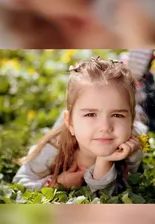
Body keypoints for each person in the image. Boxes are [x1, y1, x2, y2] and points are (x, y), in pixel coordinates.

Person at [13, 57, 142, 195]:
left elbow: (105, 199)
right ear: (70, 123)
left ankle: (140, 85)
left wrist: (104, 161)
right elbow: (19, 185)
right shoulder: (52, 149)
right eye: (91, 114)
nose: (105, 127)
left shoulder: (131, 151)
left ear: (130, 121)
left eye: (117, 115)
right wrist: (57, 184)